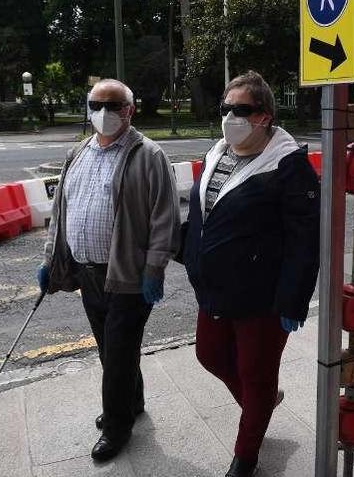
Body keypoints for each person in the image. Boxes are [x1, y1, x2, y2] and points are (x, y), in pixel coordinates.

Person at [182, 71, 320, 477]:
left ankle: (246, 455)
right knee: (209, 355)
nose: (229, 117)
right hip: (215, 286)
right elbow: (202, 216)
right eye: (225, 108)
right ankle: (260, 404)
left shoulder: (289, 166)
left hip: (262, 295)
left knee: (255, 373)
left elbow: (304, 241)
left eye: (240, 110)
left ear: (264, 116)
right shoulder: (217, 153)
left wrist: (293, 300)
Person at [37, 78, 181, 462]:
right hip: (88, 273)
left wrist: (154, 268)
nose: (103, 113)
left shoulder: (148, 155)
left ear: (129, 110)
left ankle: (117, 427)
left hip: (129, 276)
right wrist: (51, 259)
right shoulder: (78, 153)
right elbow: (62, 214)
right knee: (111, 349)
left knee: (117, 355)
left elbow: (165, 216)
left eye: (113, 105)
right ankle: (131, 402)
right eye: (95, 104)